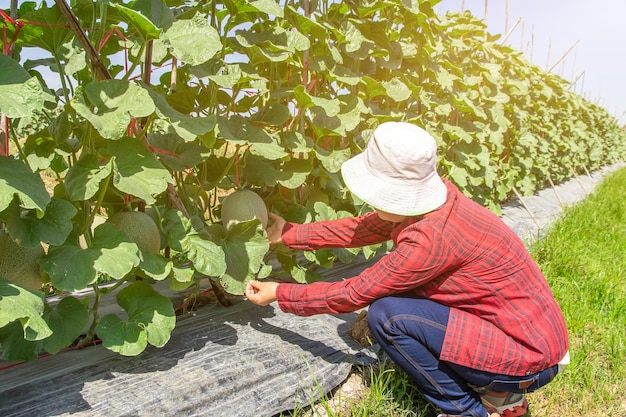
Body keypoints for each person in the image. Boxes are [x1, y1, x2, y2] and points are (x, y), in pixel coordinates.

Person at [245, 121, 569, 417]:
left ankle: (465, 409)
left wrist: (281, 293)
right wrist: (289, 233)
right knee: (406, 295)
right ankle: (503, 397)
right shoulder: (437, 204)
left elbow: (354, 292)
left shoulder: (429, 239)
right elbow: (359, 229)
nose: (372, 201)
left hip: (528, 355)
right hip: (533, 337)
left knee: (388, 316)